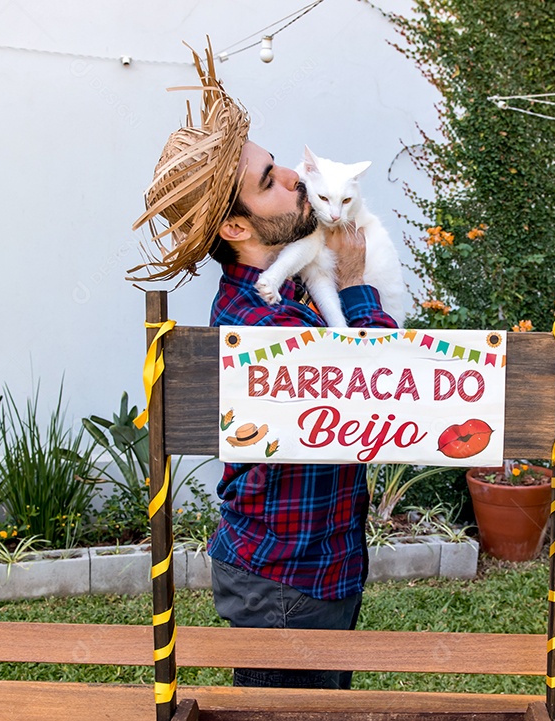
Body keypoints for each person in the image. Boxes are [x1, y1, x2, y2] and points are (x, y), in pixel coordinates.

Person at [130, 45, 396, 690]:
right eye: (269, 181)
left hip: (316, 565)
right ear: (235, 229)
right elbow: (380, 399)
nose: (294, 181)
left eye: (280, 167)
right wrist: (360, 287)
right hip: (286, 579)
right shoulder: (259, 324)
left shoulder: (290, 289)